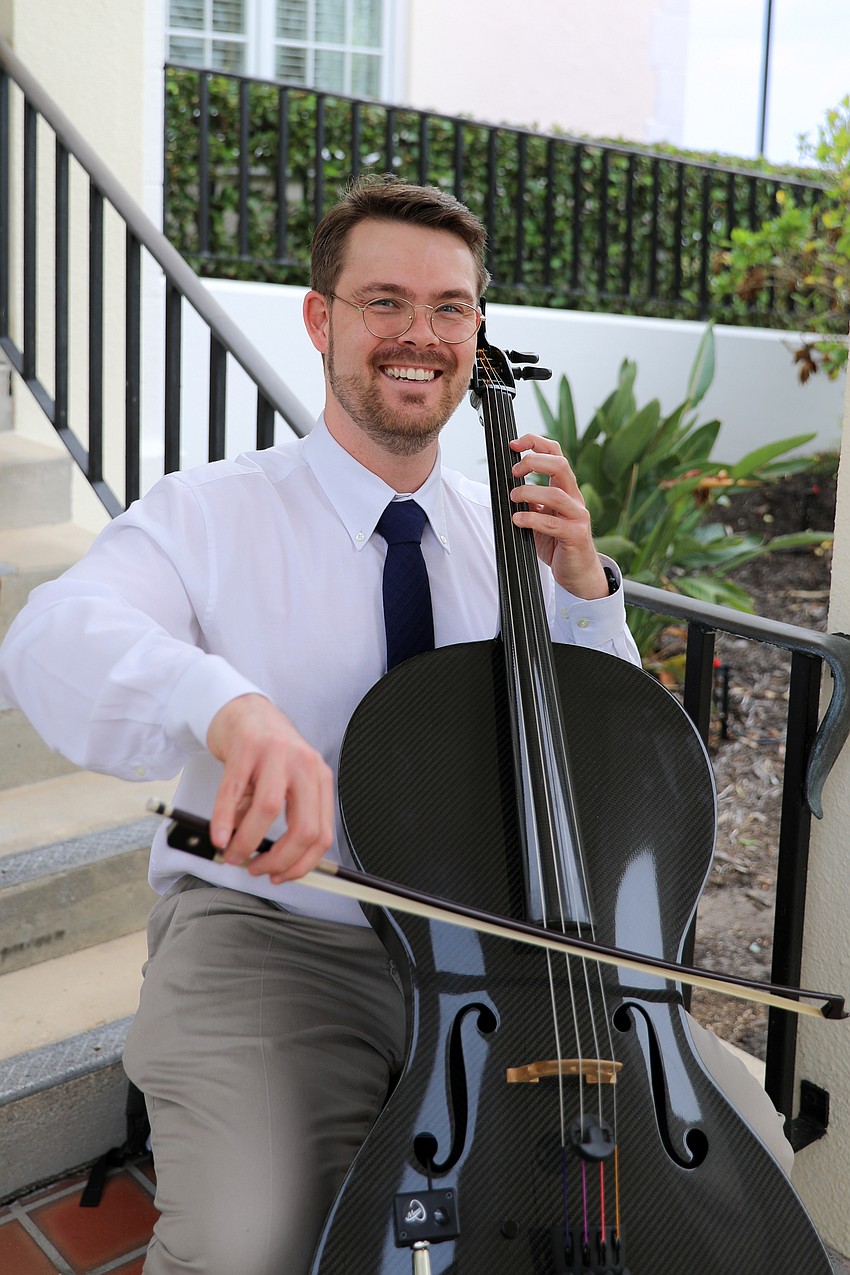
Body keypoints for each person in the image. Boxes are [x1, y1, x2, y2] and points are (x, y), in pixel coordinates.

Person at [0, 176, 788, 1275]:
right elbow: (53, 636)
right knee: (246, 1244)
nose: (420, 335)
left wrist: (583, 594)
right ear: (322, 319)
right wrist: (227, 710)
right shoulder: (206, 514)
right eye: (383, 302)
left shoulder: (508, 532)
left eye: (451, 307)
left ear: (476, 331)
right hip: (281, 938)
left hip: (507, 953)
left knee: (745, 1148)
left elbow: (605, 770)